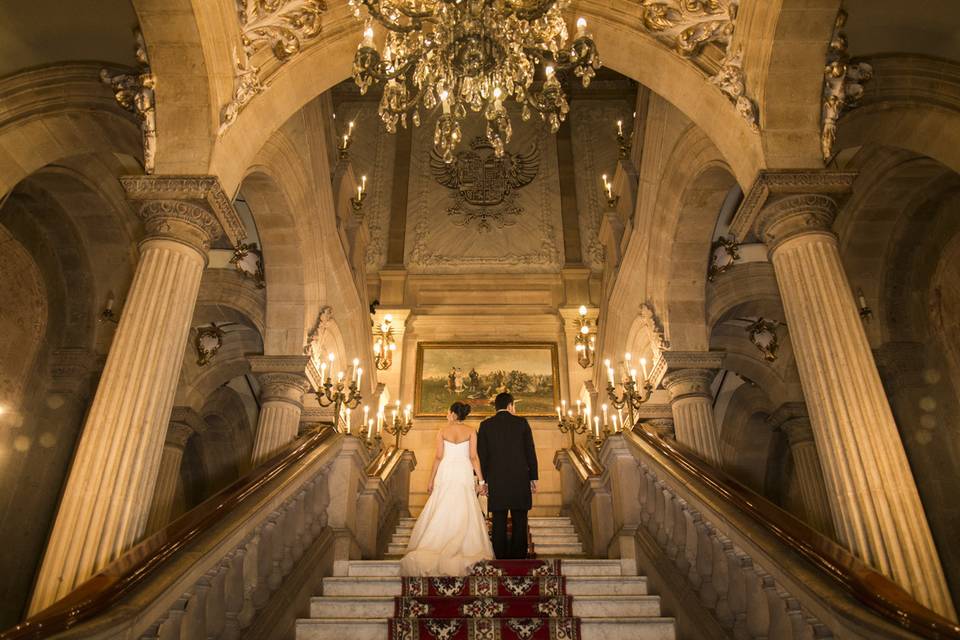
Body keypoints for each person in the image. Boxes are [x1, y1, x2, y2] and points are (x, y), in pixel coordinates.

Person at [399, 401, 494, 576]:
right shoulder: (471, 431)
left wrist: (431, 480)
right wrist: (481, 481)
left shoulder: (442, 431)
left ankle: (435, 544)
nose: (446, 415)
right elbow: (474, 457)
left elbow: (438, 457)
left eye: (448, 412)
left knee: (443, 504)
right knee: (463, 505)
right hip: (463, 471)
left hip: (446, 471)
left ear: (453, 414)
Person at [477, 392, 539, 559]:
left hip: (496, 480)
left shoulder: (486, 425)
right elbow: (530, 451)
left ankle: (500, 557)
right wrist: (533, 477)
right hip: (520, 479)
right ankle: (518, 557)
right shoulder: (522, 423)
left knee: (499, 519)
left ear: (496, 407)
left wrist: (482, 481)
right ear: (510, 406)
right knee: (520, 518)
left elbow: (482, 456)